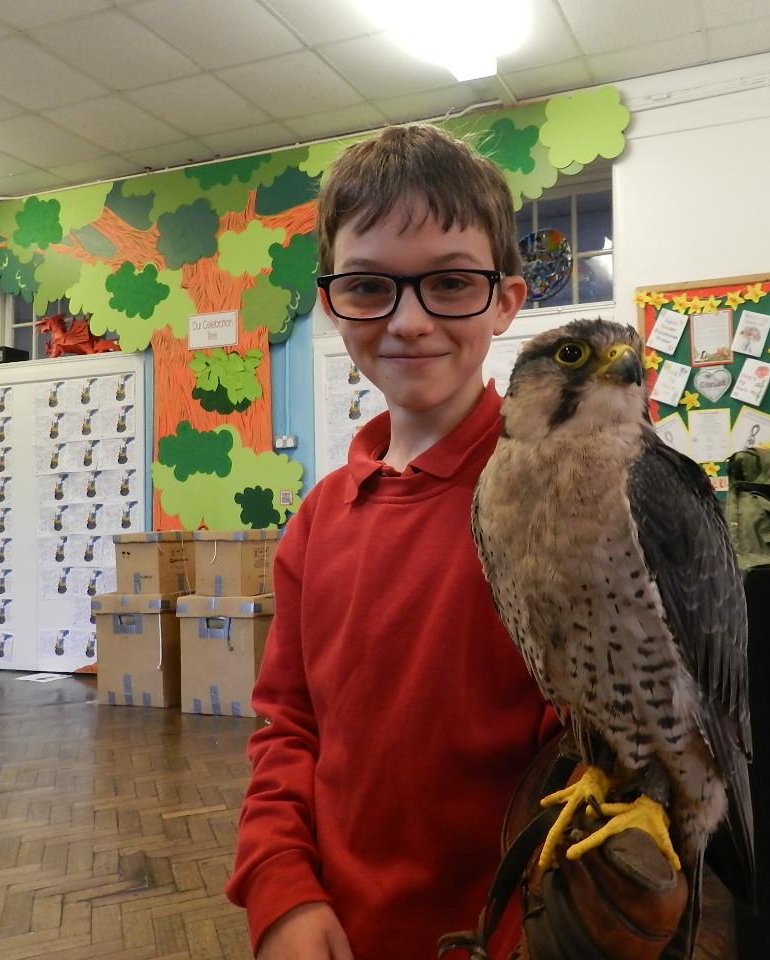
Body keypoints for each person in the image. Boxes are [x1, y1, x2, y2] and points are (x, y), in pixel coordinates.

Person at [225, 124, 557, 960]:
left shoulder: (561, 499)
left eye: (450, 282)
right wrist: (280, 888)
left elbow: (595, 755)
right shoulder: (317, 522)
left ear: (506, 301)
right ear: (331, 302)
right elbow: (288, 728)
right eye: (370, 286)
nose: (409, 322)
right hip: (337, 931)